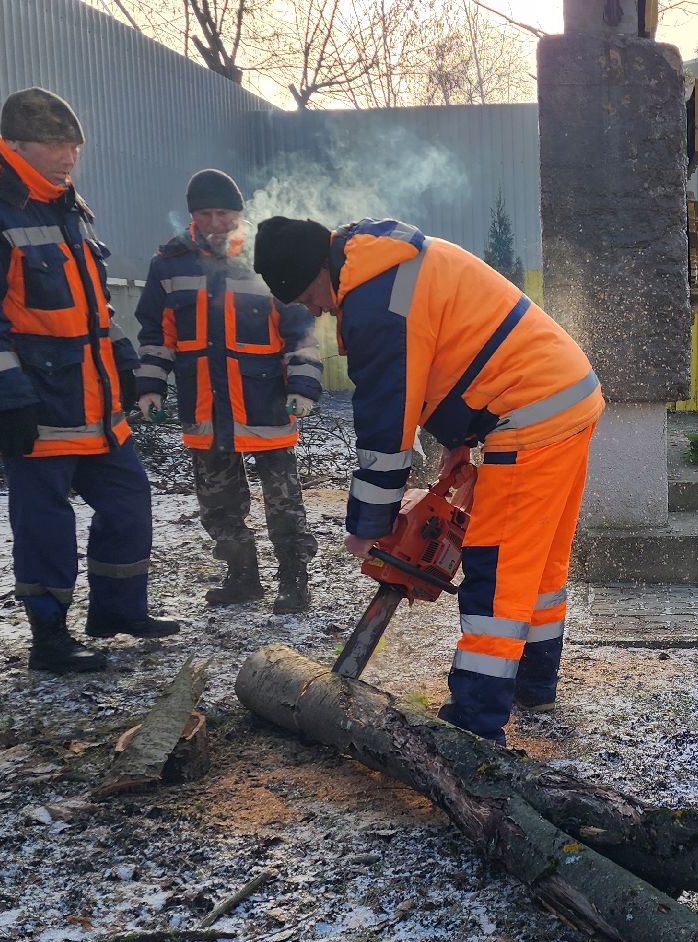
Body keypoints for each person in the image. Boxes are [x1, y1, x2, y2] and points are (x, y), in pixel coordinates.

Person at [252, 216, 603, 745]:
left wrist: (369, 527)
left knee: (497, 572)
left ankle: (475, 724)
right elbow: (451, 354)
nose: (317, 311)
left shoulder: (374, 302)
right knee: (539, 564)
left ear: (319, 271)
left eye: (309, 297)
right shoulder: (388, 262)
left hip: (529, 417)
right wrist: (460, 441)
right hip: (566, 397)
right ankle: (533, 683)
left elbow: (385, 423)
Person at [0, 88, 178, 674]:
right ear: (15, 144)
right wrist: (9, 399)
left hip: (93, 398)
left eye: (74, 148)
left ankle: (119, 611)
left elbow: (94, 305)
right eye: (55, 146)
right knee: (45, 521)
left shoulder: (64, 200)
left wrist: (124, 362)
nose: (68, 158)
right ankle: (49, 638)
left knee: (128, 499)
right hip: (35, 402)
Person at [132, 170, 323, 613]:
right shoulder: (169, 263)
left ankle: (293, 579)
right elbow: (156, 335)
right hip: (204, 404)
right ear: (192, 215)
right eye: (205, 214)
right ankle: (242, 576)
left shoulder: (265, 257)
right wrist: (150, 387)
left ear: (239, 212)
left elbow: (300, 330)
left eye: (224, 213)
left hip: (265, 403)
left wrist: (303, 386)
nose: (215, 222)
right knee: (218, 502)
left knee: (283, 501)